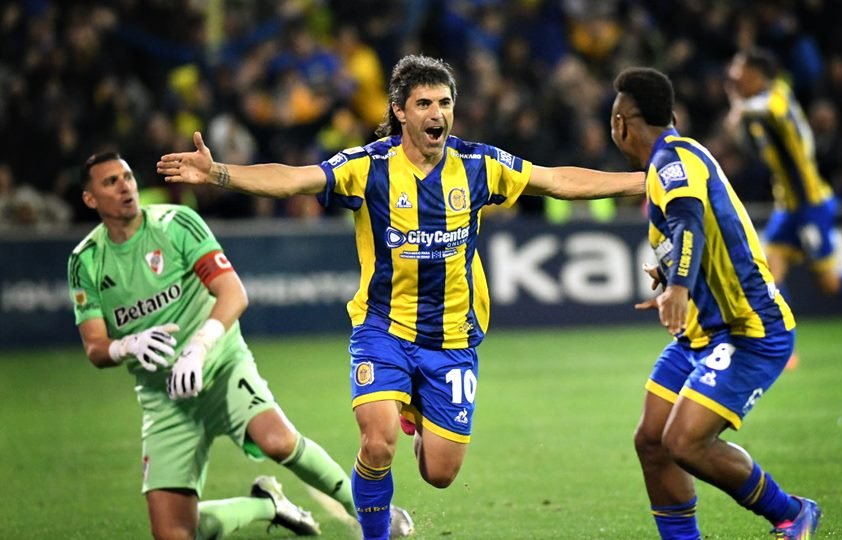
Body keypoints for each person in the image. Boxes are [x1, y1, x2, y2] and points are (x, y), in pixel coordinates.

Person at [157, 54, 645, 540]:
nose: (437, 114)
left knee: (440, 473)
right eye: (425, 103)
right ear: (399, 111)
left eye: (445, 103)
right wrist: (220, 172)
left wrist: (644, 180)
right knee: (377, 444)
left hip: (452, 337)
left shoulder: (480, 165)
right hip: (382, 329)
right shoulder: (367, 168)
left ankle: (413, 412)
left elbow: (556, 180)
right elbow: (294, 179)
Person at [68, 151, 406, 539]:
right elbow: (95, 347)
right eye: (110, 182)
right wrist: (126, 346)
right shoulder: (86, 261)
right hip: (164, 397)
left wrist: (197, 348)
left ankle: (371, 512)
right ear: (90, 199)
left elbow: (232, 293)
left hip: (220, 364)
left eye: (127, 176)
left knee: (277, 441)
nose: (125, 186)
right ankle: (268, 505)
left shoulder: (176, 224)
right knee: (171, 534)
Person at [610, 67, 821, 539]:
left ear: (621, 122)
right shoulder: (674, 161)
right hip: (703, 334)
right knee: (651, 441)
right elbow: (702, 231)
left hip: (750, 330)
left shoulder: (671, 165)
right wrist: (670, 276)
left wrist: (679, 289)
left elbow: (689, 223)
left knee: (684, 441)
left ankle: (791, 513)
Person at [726, 48, 842, 302]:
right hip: (787, 208)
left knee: (829, 283)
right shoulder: (755, 113)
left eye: (738, 69)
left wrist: (738, 107)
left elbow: (763, 108)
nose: (732, 75)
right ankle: (781, 340)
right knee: (767, 279)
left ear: (756, 74)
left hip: (811, 204)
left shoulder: (777, 97)